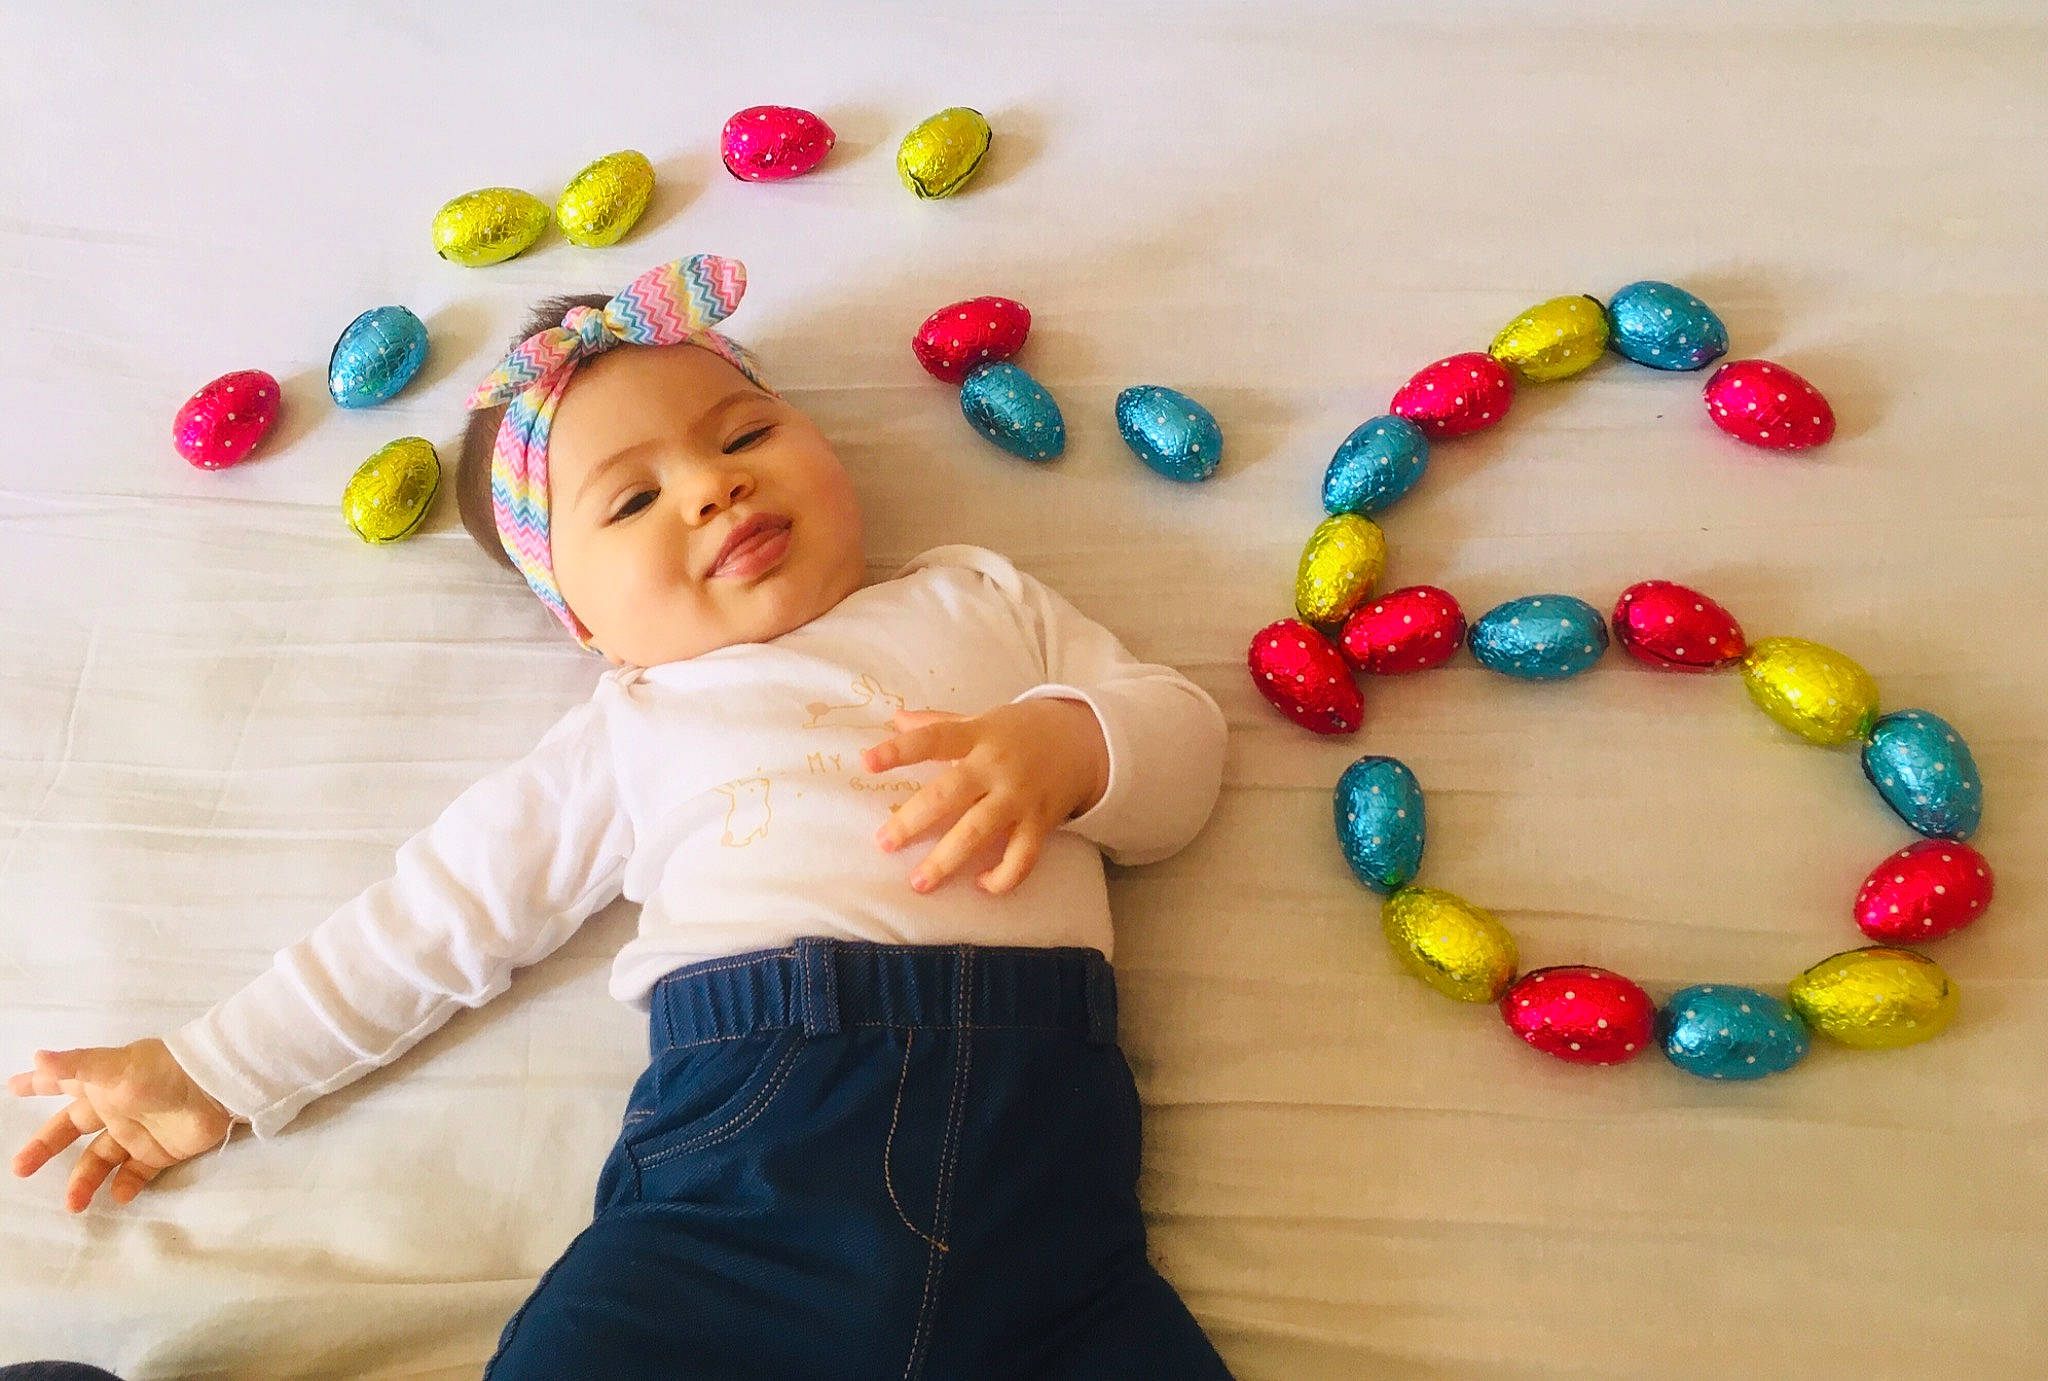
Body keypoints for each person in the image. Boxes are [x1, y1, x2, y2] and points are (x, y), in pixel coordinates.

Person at [8, 256, 1234, 1379]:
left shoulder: (978, 597)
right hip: (748, 1175)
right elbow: (439, 915)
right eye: (632, 501)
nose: (712, 485)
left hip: (1049, 1224)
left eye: (745, 431)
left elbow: (1180, 748)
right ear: (581, 620)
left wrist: (1072, 744)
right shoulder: (637, 723)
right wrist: (212, 1068)